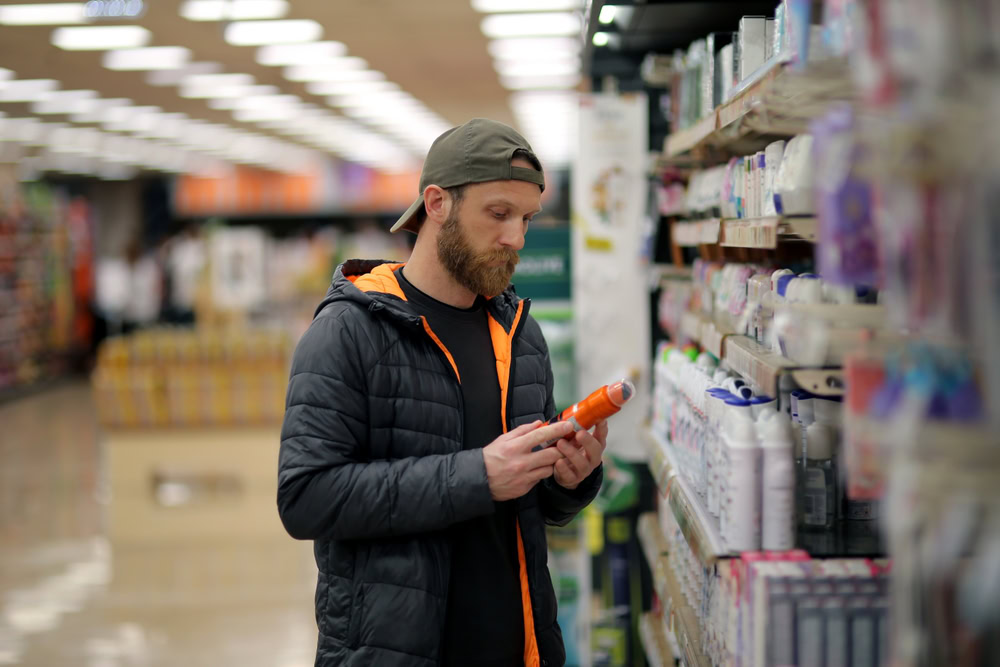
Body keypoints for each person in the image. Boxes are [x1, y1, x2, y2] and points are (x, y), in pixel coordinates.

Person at [277, 118, 607, 667]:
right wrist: (476, 476)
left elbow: (529, 502)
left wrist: (571, 480)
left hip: (518, 646)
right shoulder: (348, 332)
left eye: (526, 219)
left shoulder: (520, 333)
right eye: (498, 214)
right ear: (436, 203)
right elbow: (305, 498)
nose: (516, 238)